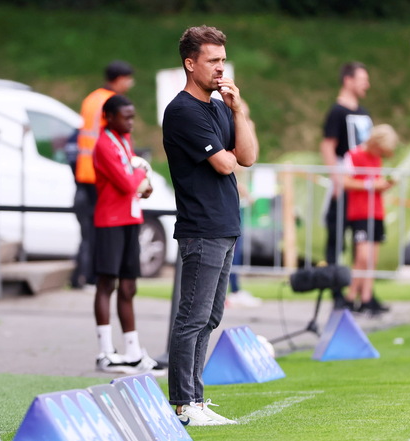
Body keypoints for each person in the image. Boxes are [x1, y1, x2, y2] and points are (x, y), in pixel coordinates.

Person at [162, 25, 258, 426]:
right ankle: (184, 404)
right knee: (193, 316)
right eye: (212, 61)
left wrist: (237, 109)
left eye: (223, 60)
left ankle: (196, 399)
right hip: (201, 226)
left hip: (223, 224)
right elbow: (224, 162)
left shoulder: (219, 106)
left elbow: (248, 156)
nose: (221, 69)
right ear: (190, 63)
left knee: (211, 317)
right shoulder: (183, 110)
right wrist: (229, 151)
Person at [92, 94, 163, 377]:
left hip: (131, 217)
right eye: (126, 117)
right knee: (106, 283)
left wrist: (141, 181)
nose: (131, 122)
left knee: (129, 286)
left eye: (133, 116)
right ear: (109, 117)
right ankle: (105, 352)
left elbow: (133, 181)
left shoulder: (124, 140)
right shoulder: (103, 143)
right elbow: (124, 181)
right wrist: (140, 172)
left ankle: (132, 352)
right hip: (110, 220)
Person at [71, 60, 135, 289]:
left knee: (89, 230)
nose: (130, 83)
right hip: (103, 172)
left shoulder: (91, 99)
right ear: (119, 79)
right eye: (128, 79)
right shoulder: (110, 103)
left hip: (85, 170)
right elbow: (111, 138)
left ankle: (81, 276)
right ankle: (93, 277)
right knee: (103, 230)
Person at [320, 61, 373, 309]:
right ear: (348, 80)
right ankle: (336, 290)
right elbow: (328, 146)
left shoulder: (363, 113)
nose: (367, 84)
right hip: (345, 182)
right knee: (336, 240)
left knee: (362, 242)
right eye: (362, 79)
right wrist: (337, 179)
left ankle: (362, 291)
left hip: (361, 187)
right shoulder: (337, 112)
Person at [342, 124, 397, 314]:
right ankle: (350, 296)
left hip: (377, 212)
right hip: (360, 212)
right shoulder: (354, 155)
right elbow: (346, 181)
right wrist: (370, 185)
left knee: (372, 259)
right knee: (362, 257)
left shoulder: (377, 159)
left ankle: (366, 298)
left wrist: (385, 185)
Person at [226, 102, 262, 309]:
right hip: (233, 200)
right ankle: (233, 290)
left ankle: (236, 289)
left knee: (237, 248)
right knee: (233, 249)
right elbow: (235, 167)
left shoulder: (244, 131)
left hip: (239, 202)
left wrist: (250, 128)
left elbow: (253, 156)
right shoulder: (230, 135)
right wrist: (243, 190)